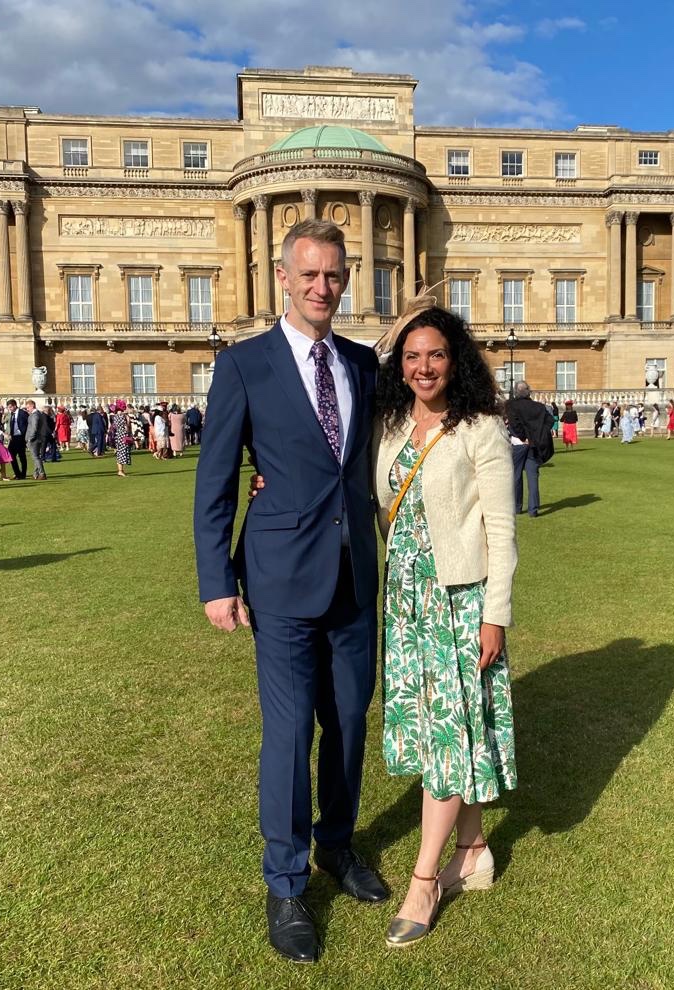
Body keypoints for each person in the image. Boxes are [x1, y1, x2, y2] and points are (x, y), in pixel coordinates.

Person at [194, 219, 385, 965]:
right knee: (289, 733)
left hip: (353, 574)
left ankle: (337, 844)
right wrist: (218, 583)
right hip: (278, 579)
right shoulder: (245, 364)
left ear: (346, 278)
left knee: (350, 722)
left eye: (333, 275)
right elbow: (215, 482)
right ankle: (285, 881)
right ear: (283, 276)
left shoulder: (363, 364)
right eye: (309, 274)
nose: (322, 287)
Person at [374, 302, 516, 947]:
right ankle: (474, 850)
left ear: (455, 361)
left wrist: (495, 615)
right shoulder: (391, 425)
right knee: (453, 724)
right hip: (406, 599)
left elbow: (501, 531)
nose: (423, 366)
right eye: (412, 355)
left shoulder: (480, 428)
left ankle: (424, 879)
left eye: (435, 354)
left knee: (449, 735)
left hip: (458, 599)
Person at [504, 380, 552, 517]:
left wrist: (523, 436)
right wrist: (537, 435)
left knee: (516, 475)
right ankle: (533, 509)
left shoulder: (511, 405)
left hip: (519, 444)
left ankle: (517, 507)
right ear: (528, 391)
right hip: (533, 444)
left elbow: (515, 424)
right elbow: (550, 421)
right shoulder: (538, 407)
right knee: (532, 476)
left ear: (516, 391)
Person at [5, 399, 28, 480]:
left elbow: (27, 424)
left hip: (21, 437)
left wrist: (25, 435)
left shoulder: (22, 413)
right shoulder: (11, 414)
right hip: (13, 437)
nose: (10, 409)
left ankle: (23, 474)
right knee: (11, 455)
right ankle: (17, 474)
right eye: (8, 407)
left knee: (22, 456)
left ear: (15, 405)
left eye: (10, 407)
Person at [25, 400, 49, 480]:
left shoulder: (35, 415)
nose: (27, 409)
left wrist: (30, 438)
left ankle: (42, 473)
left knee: (35, 457)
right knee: (36, 457)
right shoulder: (39, 414)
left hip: (34, 439)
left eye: (28, 407)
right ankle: (36, 474)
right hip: (38, 438)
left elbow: (34, 427)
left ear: (32, 406)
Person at [112, 399, 131, 476]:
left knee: (119, 452)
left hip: (118, 435)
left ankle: (120, 470)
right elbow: (127, 427)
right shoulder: (123, 416)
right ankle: (120, 471)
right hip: (123, 435)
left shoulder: (115, 417)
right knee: (123, 453)